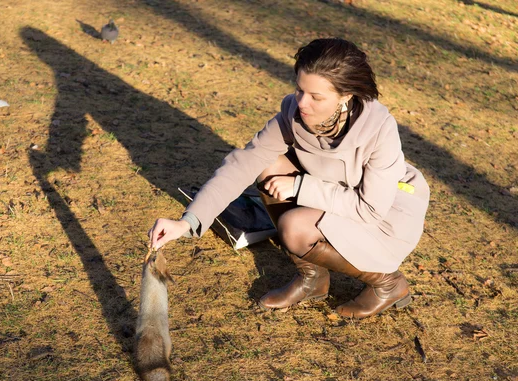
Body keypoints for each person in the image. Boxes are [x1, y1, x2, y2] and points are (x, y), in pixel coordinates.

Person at [149, 38, 430, 319]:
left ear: (345, 96)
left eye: (316, 97)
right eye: (299, 90)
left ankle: (388, 283)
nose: (302, 103)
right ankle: (312, 279)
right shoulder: (292, 114)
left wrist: (298, 187)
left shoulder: (379, 129)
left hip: (382, 213)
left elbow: (369, 207)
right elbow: (242, 164)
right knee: (267, 162)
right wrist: (189, 221)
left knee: (294, 228)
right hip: (327, 195)